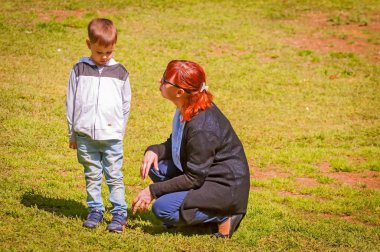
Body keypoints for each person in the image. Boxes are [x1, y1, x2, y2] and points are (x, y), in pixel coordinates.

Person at [132, 60, 250, 238]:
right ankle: (186, 208)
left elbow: (194, 177)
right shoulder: (187, 107)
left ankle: (224, 215)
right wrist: (154, 150)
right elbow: (178, 143)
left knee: (162, 209)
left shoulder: (201, 127)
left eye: (165, 80)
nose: (160, 82)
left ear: (180, 92)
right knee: (157, 166)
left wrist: (152, 191)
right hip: (203, 173)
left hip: (224, 186)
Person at [66, 18, 131, 233]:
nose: (104, 57)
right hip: (85, 136)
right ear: (88, 44)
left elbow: (125, 106)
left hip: (112, 137)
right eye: (99, 52)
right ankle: (95, 209)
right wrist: (73, 133)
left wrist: (119, 132)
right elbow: (71, 102)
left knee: (114, 175)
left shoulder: (121, 72)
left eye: (109, 53)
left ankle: (119, 212)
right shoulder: (79, 69)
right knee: (92, 174)